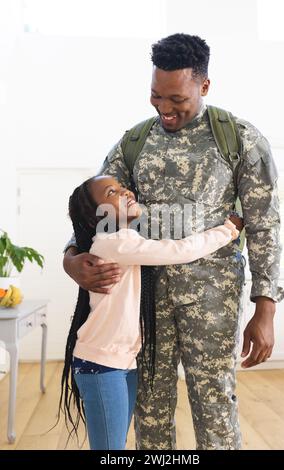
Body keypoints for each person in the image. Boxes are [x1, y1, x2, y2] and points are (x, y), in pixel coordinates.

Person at [63, 34, 284, 450]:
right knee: (150, 410)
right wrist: (71, 257)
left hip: (214, 301)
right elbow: (93, 205)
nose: (165, 108)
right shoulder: (134, 143)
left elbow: (264, 225)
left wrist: (266, 307)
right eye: (155, 97)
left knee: (215, 407)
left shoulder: (240, 139)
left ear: (203, 86)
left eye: (176, 99)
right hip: (145, 304)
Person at [60, 174, 240, 450]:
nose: (126, 192)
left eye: (122, 186)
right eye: (112, 193)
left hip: (122, 362)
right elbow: (179, 250)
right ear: (98, 215)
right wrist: (227, 230)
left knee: (115, 445)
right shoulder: (113, 243)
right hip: (101, 365)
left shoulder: (124, 239)